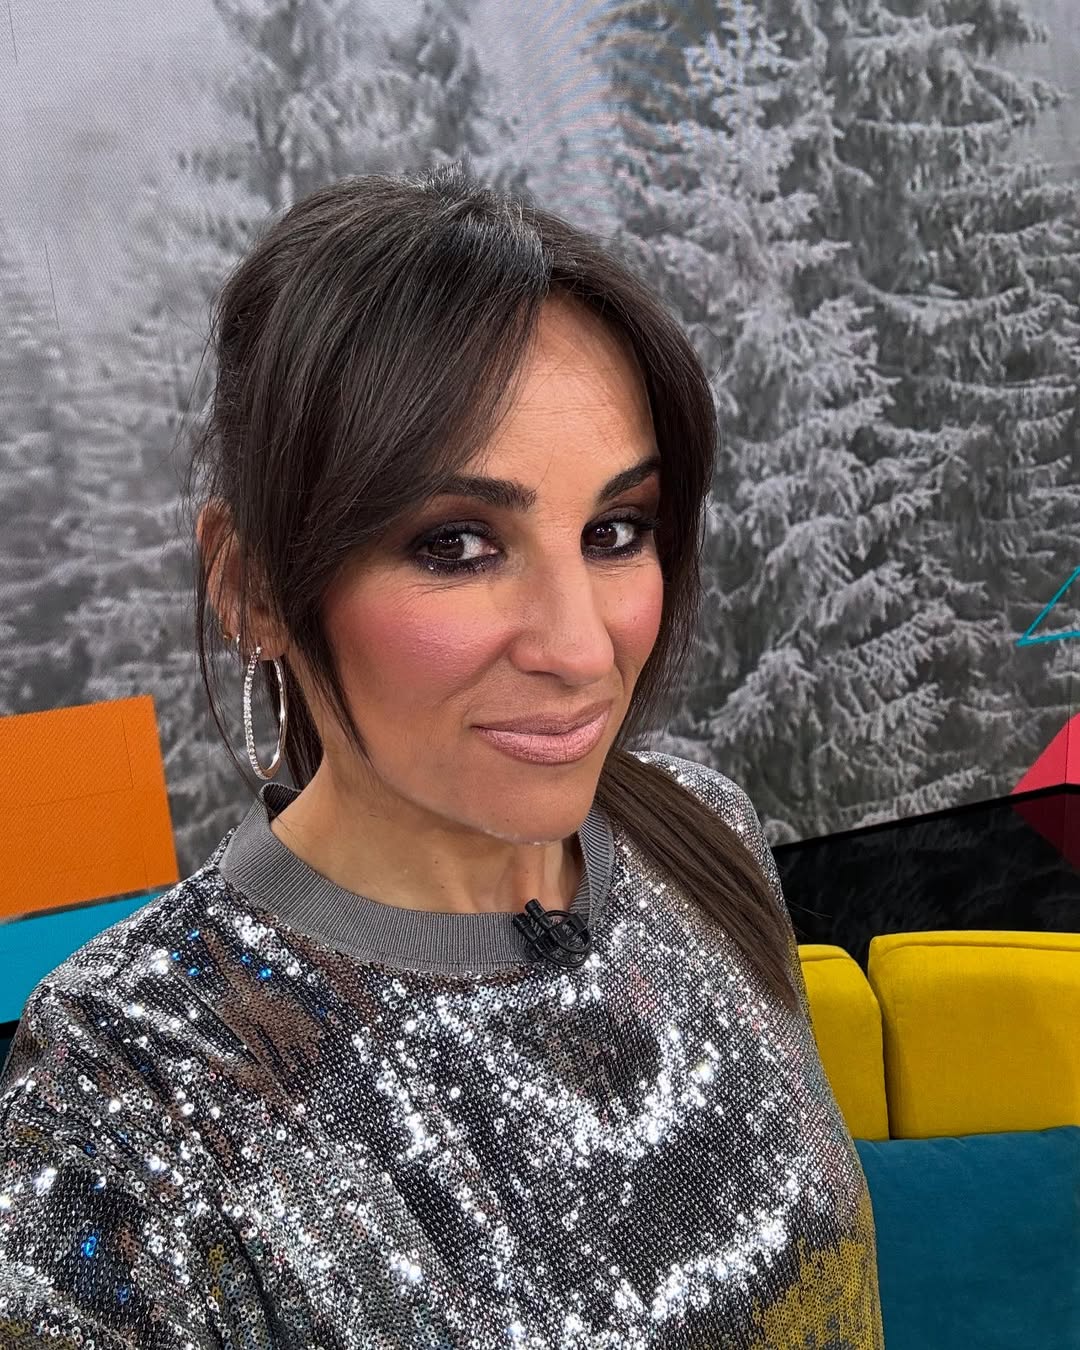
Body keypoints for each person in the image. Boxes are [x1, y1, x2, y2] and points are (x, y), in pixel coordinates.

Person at [0, 162, 884, 1348]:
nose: (581, 648)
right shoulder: (127, 1090)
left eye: (615, 530)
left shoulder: (701, 834)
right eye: (458, 545)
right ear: (252, 586)